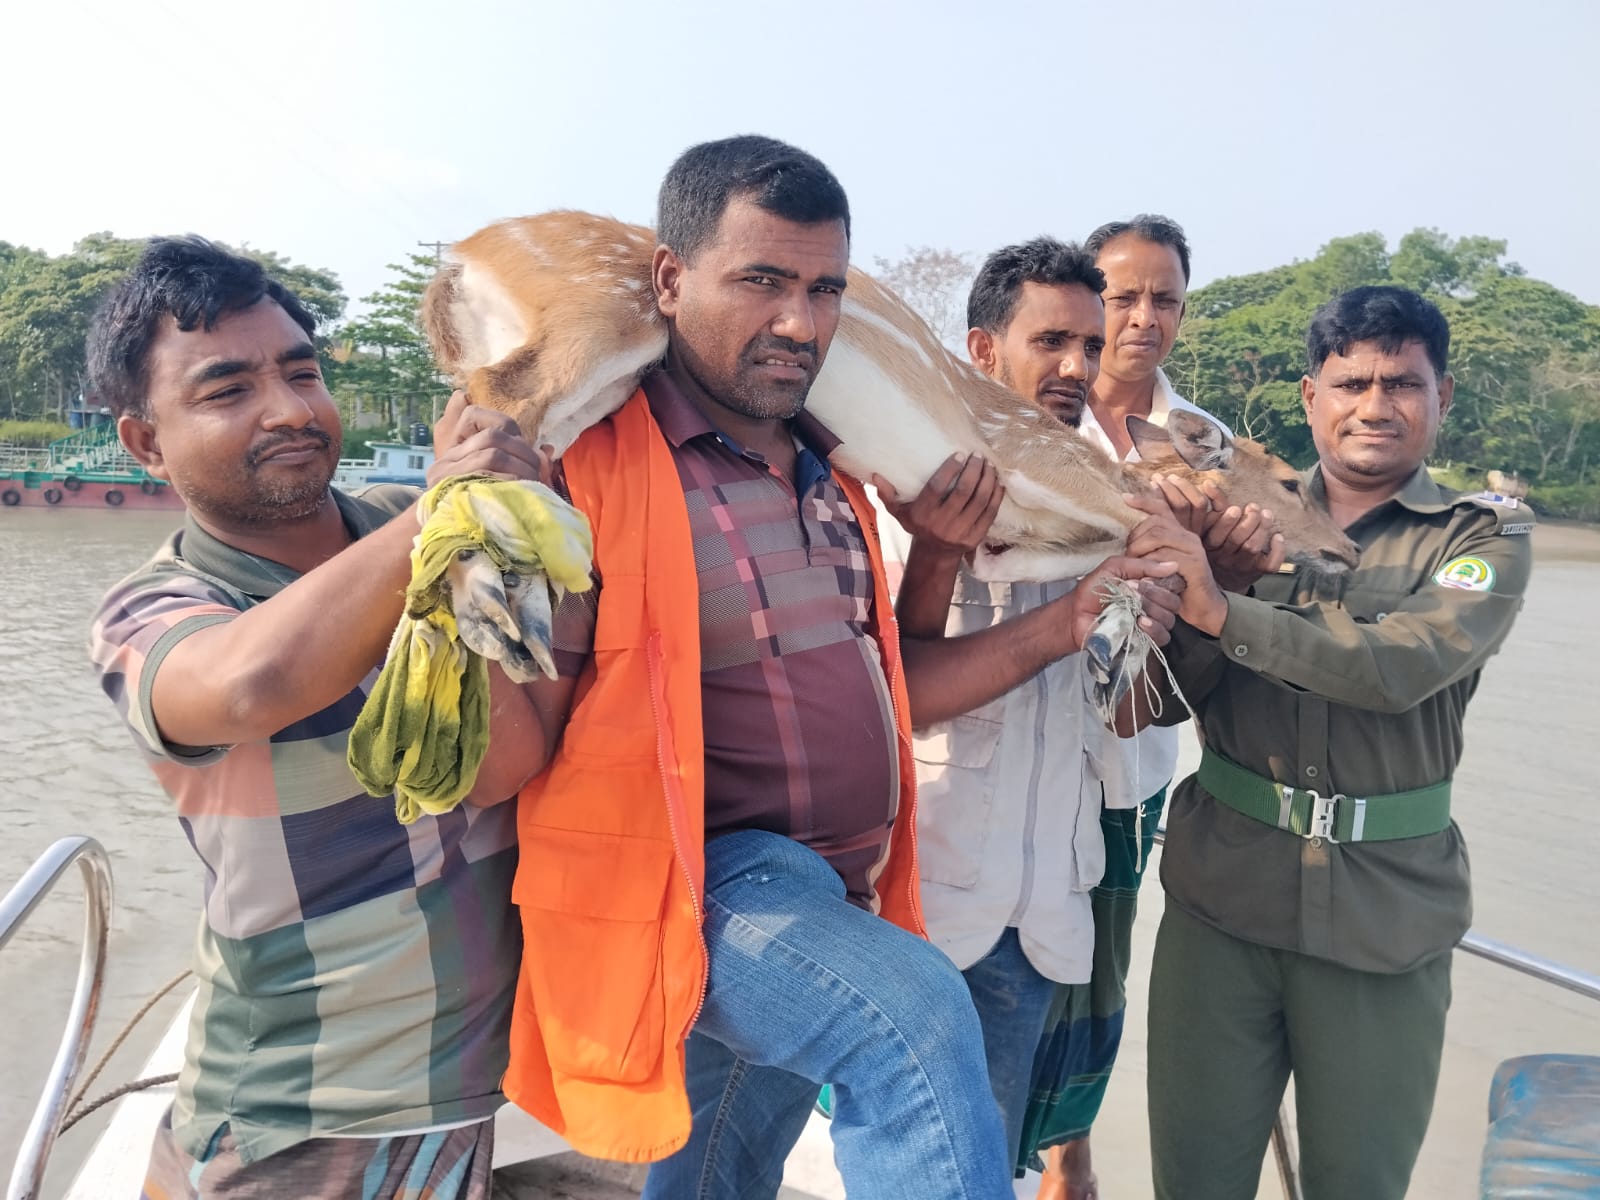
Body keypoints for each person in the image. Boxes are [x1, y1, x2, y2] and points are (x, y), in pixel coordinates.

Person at [480, 136, 1182, 1200]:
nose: (800, 323)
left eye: (823, 289)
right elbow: (511, 742)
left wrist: (1058, 613)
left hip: (837, 888)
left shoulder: (836, 474)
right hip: (702, 887)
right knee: (911, 1018)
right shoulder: (592, 466)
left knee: (715, 1176)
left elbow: (896, 700)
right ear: (670, 282)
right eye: (761, 281)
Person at [86, 237, 551, 1198]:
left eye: (302, 372)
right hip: (300, 1114)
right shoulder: (150, 610)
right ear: (144, 443)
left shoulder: (399, 515)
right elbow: (250, 684)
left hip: (463, 1084)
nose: (291, 410)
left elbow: (507, 763)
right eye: (226, 391)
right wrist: (450, 515)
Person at [1130, 285, 1534, 1199]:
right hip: (1220, 905)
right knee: (1191, 1181)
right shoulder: (1232, 507)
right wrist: (1183, 597)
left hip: (1384, 921)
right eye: (1351, 382)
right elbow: (1159, 706)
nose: (1375, 405)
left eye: (1403, 383)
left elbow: (1403, 666)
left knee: (1357, 1182)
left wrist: (1219, 605)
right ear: (1312, 396)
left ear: (1443, 398)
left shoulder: (1481, 535)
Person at [1029, 215, 1252, 1200]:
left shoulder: (1204, 446)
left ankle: (1067, 1153)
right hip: (1017, 720)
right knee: (987, 942)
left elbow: (1225, 608)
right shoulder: (1027, 415)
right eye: (1121, 296)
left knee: (1098, 969)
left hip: (1130, 755)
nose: (1140, 318)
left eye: (1162, 297)